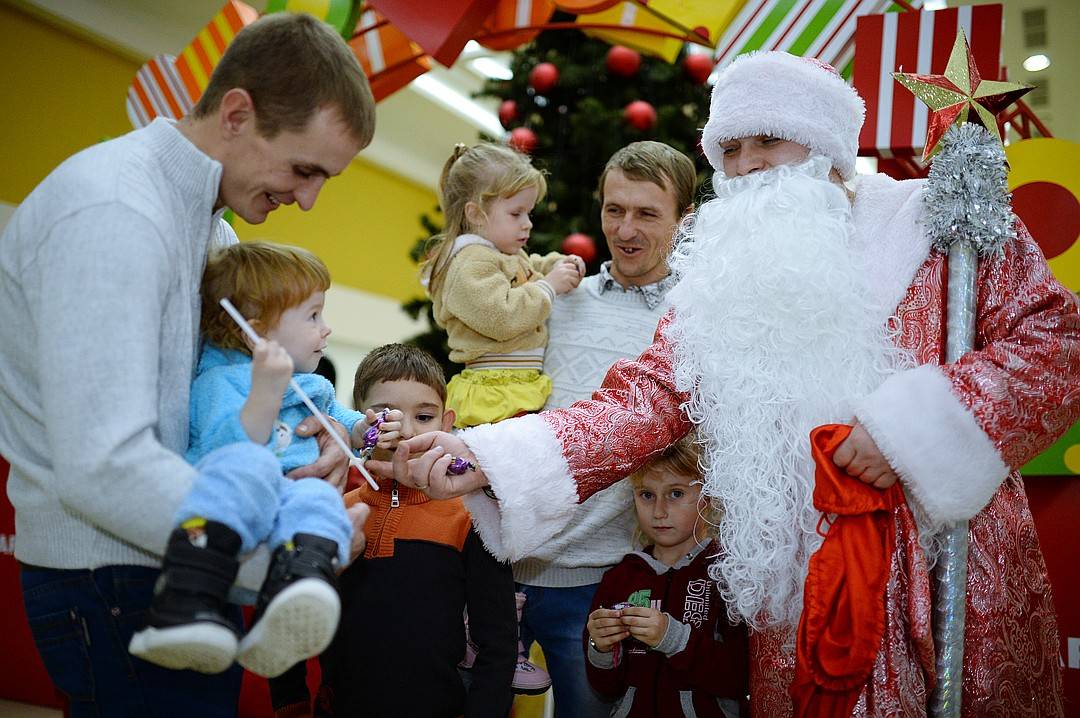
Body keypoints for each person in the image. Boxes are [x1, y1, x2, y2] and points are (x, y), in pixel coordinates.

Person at [375, 51, 1080, 715]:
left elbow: (1057, 342)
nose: (746, 168)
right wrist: (490, 458)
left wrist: (911, 431)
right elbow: (641, 401)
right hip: (791, 589)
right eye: (729, 151)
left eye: (768, 141)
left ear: (826, 148)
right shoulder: (717, 285)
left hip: (939, 574)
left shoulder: (933, 225)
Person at [0, 12, 375, 716]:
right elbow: (104, 463)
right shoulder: (115, 210)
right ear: (236, 112)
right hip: (113, 576)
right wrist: (285, 566)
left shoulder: (210, 224)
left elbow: (213, 414)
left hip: (167, 559)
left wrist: (311, 437)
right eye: (303, 169)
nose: (308, 198)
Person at [130, 241, 371, 679]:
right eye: (313, 316)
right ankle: (185, 599)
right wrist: (266, 391)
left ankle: (293, 596)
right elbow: (229, 448)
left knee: (317, 496)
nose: (327, 329)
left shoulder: (310, 384)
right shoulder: (221, 382)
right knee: (252, 465)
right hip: (230, 510)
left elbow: (341, 418)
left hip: (282, 511)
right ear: (255, 332)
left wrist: (365, 428)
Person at [512, 141, 695, 717]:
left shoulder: (693, 320)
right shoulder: (555, 301)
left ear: (682, 221)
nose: (625, 228)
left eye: (646, 213)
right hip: (503, 571)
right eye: (614, 209)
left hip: (606, 584)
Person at [270, 343, 516, 717]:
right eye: (387, 414)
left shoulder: (472, 519)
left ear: (446, 424)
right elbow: (291, 618)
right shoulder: (334, 511)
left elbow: (497, 643)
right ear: (360, 419)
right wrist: (290, 702)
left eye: (424, 416)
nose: (404, 430)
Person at [424, 141, 584, 430]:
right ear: (475, 214)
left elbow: (531, 267)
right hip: (492, 395)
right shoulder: (469, 262)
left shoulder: (505, 254)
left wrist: (559, 264)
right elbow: (502, 315)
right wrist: (549, 286)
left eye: (529, 213)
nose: (527, 224)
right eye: (516, 213)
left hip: (516, 386)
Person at [585, 434, 748, 717]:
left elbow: (738, 678)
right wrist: (600, 647)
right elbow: (606, 688)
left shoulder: (729, 575)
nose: (659, 511)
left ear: (707, 496)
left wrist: (673, 638)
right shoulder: (619, 578)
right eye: (647, 495)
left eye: (676, 494)